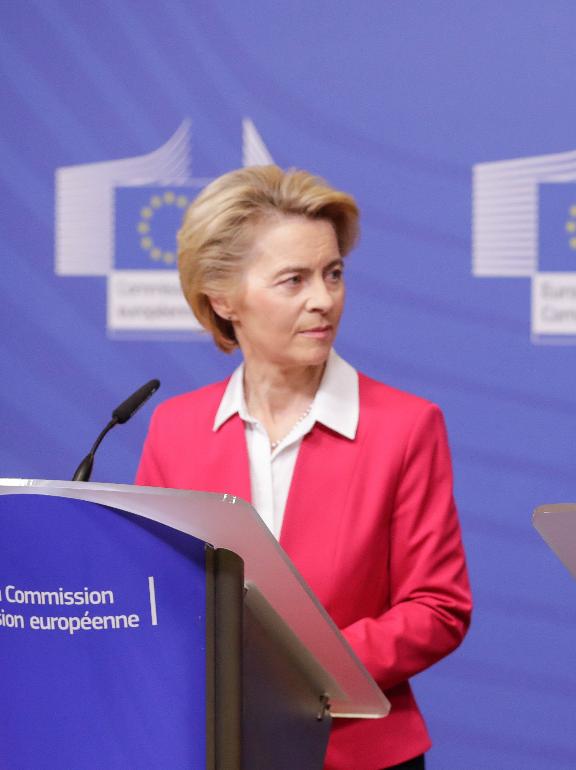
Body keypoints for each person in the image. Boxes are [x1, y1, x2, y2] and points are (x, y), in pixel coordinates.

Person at [135, 166, 471, 769]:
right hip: (208, 747)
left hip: (358, 754)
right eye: (293, 280)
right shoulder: (175, 428)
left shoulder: (405, 426)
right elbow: (156, 595)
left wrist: (300, 666)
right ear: (223, 299)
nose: (324, 299)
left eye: (333, 274)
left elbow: (437, 608)